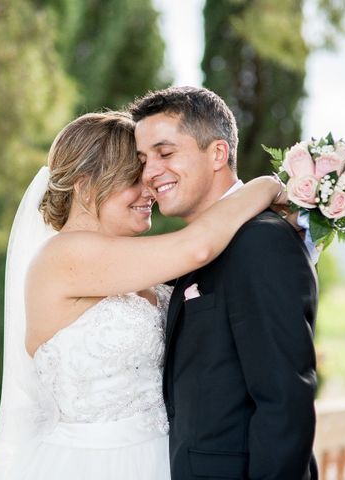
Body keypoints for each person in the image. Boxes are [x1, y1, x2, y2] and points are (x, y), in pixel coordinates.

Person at [0, 110, 288, 480]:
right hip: (95, 466)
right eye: (134, 178)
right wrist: (269, 187)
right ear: (84, 186)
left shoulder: (128, 261)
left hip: (166, 457)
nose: (150, 189)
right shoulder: (62, 256)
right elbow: (196, 248)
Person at [130, 86, 319, 480]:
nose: (149, 173)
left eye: (165, 154)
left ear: (217, 153)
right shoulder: (198, 246)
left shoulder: (260, 240)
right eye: (143, 159)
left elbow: (284, 402)